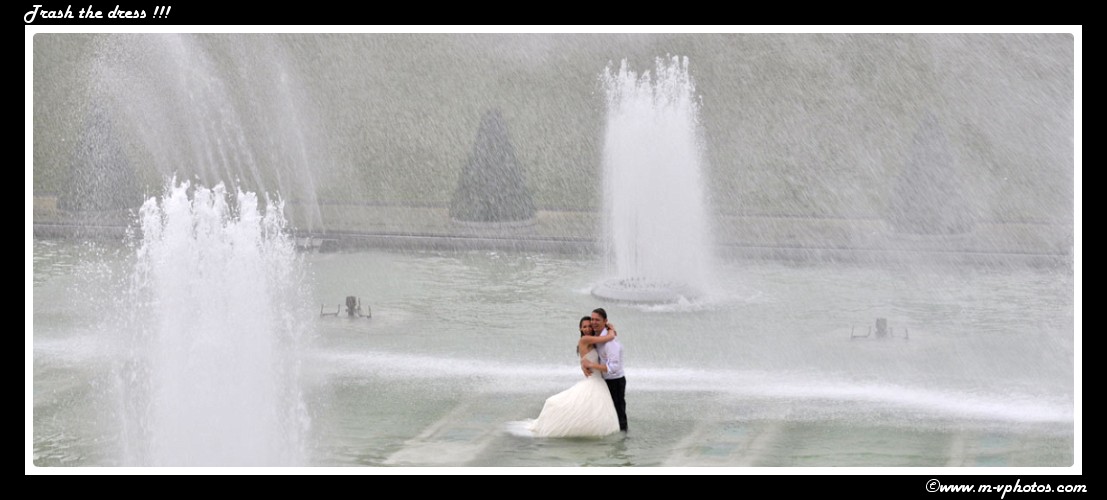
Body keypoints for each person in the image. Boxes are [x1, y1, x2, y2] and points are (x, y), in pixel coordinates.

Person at [524, 317, 620, 438]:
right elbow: (610, 337)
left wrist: (607, 328)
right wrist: (610, 328)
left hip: (599, 381)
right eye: (584, 327)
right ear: (580, 329)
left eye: (589, 326)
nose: (587, 329)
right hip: (593, 380)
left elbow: (607, 341)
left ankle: (589, 429)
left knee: (594, 409)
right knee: (580, 406)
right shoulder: (585, 340)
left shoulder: (594, 341)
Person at [580, 308, 627, 432]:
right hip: (602, 380)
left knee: (618, 411)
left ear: (605, 321)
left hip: (615, 380)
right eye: (592, 319)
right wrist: (583, 364)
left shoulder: (610, 343)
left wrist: (590, 364)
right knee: (605, 411)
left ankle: (623, 436)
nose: (593, 323)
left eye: (597, 320)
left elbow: (614, 368)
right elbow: (585, 352)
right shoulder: (596, 337)